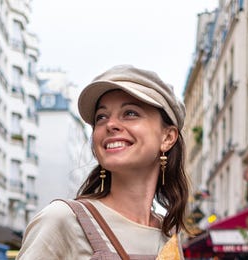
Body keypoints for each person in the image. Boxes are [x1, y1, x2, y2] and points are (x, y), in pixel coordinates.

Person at [17, 65, 189, 259]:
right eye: (101, 117)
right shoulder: (62, 220)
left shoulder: (169, 235)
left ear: (167, 137)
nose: (110, 125)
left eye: (130, 113)